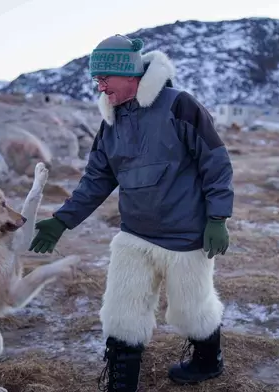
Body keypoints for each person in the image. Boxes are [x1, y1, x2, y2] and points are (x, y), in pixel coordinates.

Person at [29, 34, 234, 392]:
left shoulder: (179, 105)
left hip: (186, 237)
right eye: (97, 80)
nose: (100, 86)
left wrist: (218, 218)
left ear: (129, 74)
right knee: (122, 314)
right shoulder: (110, 121)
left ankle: (207, 361)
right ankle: (121, 384)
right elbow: (96, 178)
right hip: (134, 236)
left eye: (104, 77)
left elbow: (215, 162)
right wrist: (62, 220)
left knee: (191, 311)